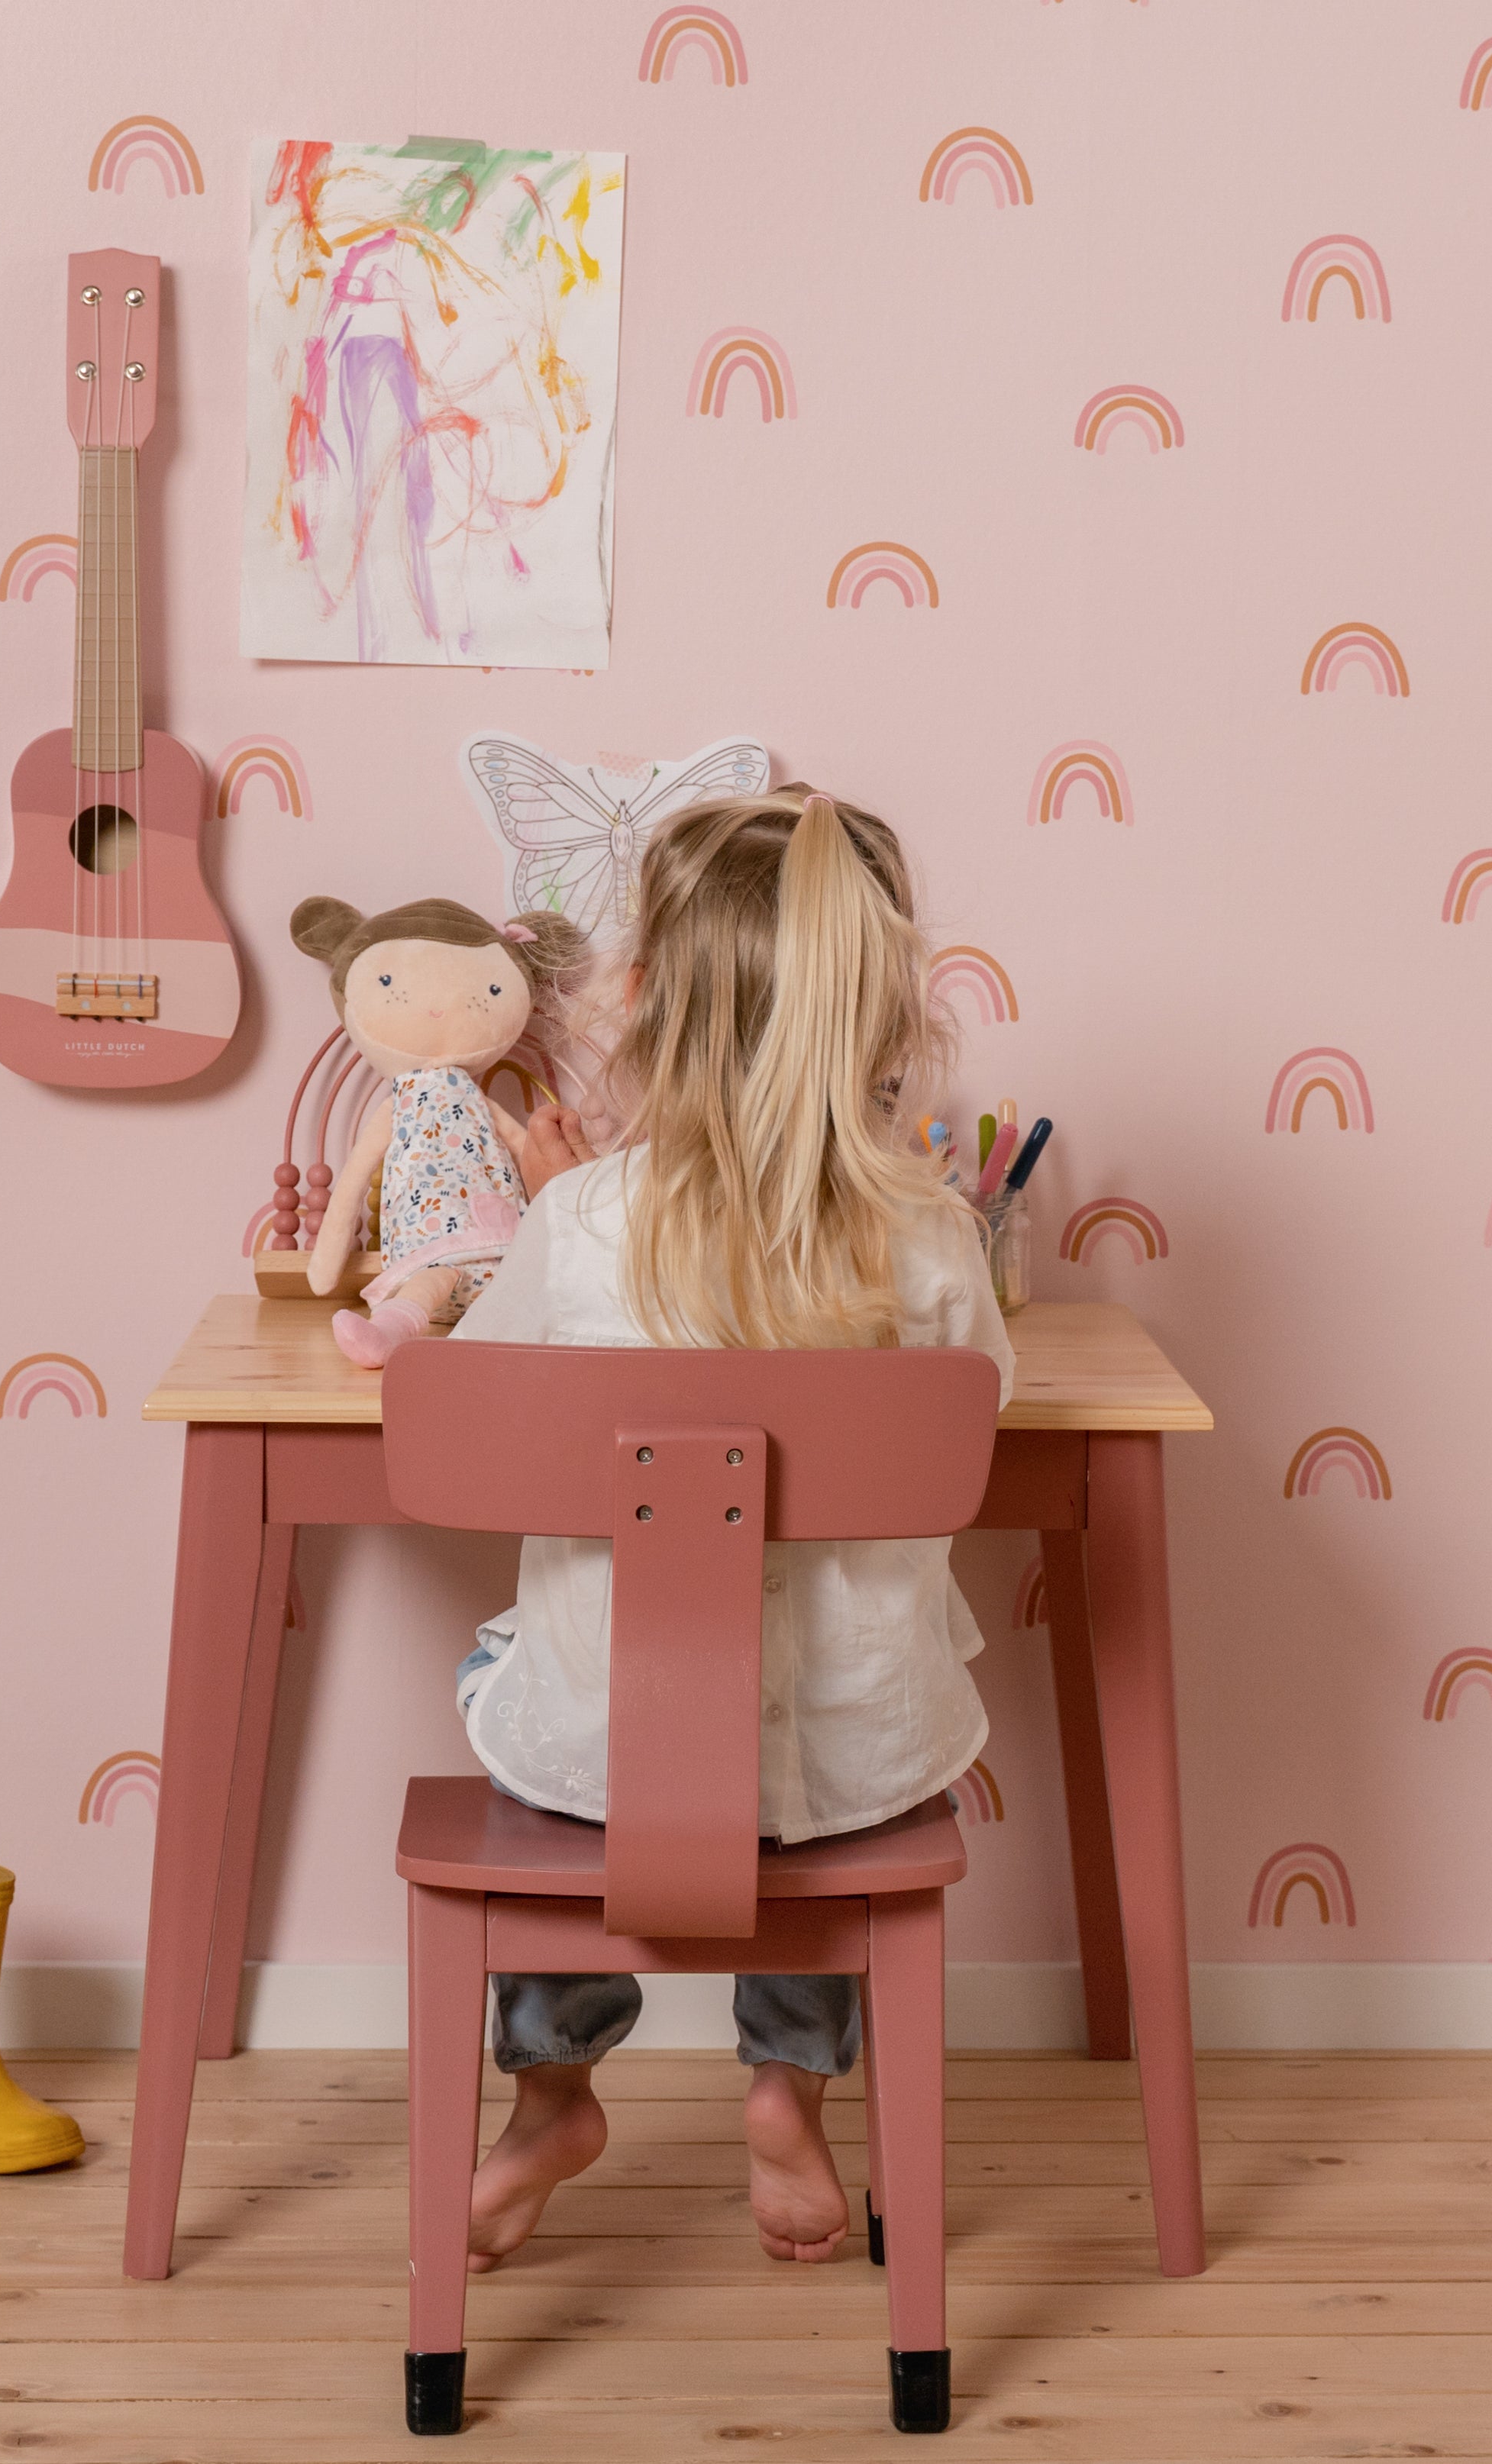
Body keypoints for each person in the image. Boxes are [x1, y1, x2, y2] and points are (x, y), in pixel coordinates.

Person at [447, 786, 1016, 2268]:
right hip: (859, 1759)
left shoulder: (584, 1226)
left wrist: (560, 1207)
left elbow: (473, 1415)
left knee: (525, 1686)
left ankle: (554, 2088)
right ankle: (790, 2087)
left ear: (645, 1005)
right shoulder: (937, 1238)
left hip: (605, 1768)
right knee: (832, 1746)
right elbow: (981, 1422)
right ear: (884, 1019)